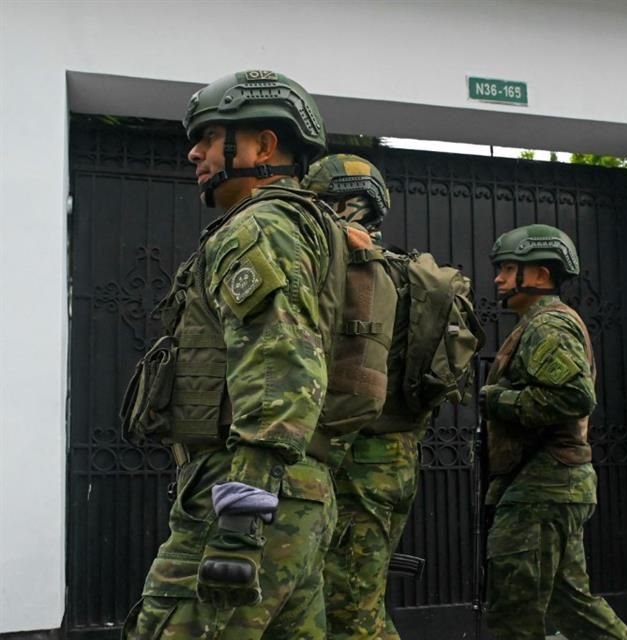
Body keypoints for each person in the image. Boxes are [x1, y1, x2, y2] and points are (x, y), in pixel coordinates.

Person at [121, 70, 345, 639]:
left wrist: (240, 518)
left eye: (209, 136)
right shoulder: (302, 225)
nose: (194, 152)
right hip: (294, 491)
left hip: (248, 494)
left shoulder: (259, 229)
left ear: (264, 145)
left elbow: (282, 369)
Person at [479, 224, 627, 640]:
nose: (499, 278)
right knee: (570, 602)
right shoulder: (540, 323)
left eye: (509, 269)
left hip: (543, 486)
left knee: (514, 609)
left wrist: (495, 399)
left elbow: (572, 398)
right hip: (549, 483)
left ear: (542, 275)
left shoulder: (548, 325)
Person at [303, 153, 418, 640]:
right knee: (361, 600)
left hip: (356, 460)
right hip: (398, 458)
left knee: (350, 611)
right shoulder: (406, 272)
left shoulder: (353, 272)